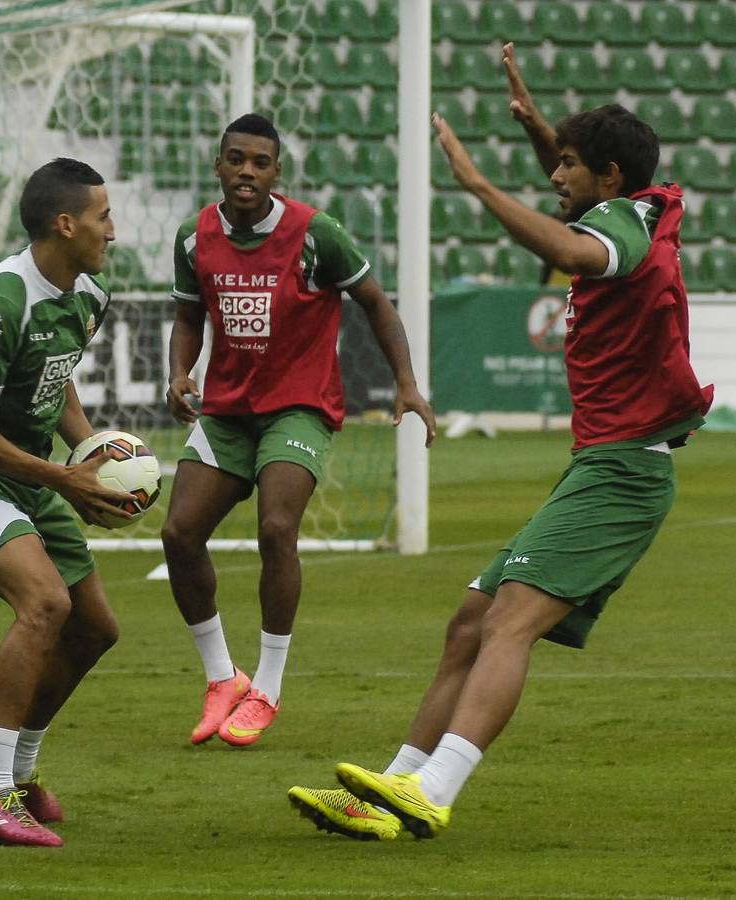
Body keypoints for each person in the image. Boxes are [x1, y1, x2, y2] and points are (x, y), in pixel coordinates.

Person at [288, 45, 713, 841]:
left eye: (568, 164)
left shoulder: (622, 226)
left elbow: (568, 247)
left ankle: (437, 789)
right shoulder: (630, 205)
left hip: (625, 475)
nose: (555, 175)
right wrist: (539, 127)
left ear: (610, 176)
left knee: (510, 621)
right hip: (599, 466)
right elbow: (588, 203)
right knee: (469, 620)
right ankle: (395, 788)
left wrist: (477, 183)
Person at [162, 113, 436, 748]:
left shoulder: (315, 233)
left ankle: (269, 686)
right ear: (219, 165)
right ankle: (221, 678)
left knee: (277, 526)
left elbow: (376, 301)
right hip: (228, 410)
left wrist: (406, 383)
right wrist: (180, 372)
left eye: (260, 162)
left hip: (298, 406)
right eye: (237, 160)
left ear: (277, 170)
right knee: (179, 533)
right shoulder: (193, 237)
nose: (247, 172)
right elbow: (187, 315)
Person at [0, 157, 139, 847]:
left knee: (96, 628)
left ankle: (11, 771)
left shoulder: (88, 296)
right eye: (103, 216)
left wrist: (90, 454)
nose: (112, 229)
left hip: (34, 476)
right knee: (46, 604)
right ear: (65, 223)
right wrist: (62, 479)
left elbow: (57, 380)